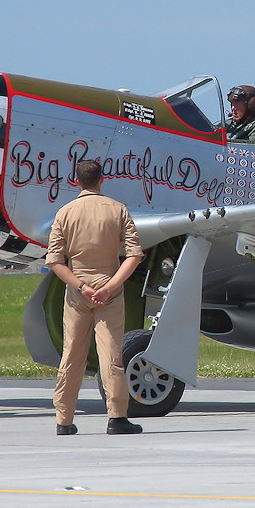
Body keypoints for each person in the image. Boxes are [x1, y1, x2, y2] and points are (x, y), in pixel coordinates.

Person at [47, 160, 145, 435]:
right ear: (102, 179)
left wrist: (81, 287)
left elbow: (55, 260)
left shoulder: (65, 213)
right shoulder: (118, 210)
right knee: (111, 354)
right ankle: (116, 417)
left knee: (72, 354)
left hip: (78, 290)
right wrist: (110, 286)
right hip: (109, 287)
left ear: (76, 181)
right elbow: (134, 255)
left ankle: (64, 419)